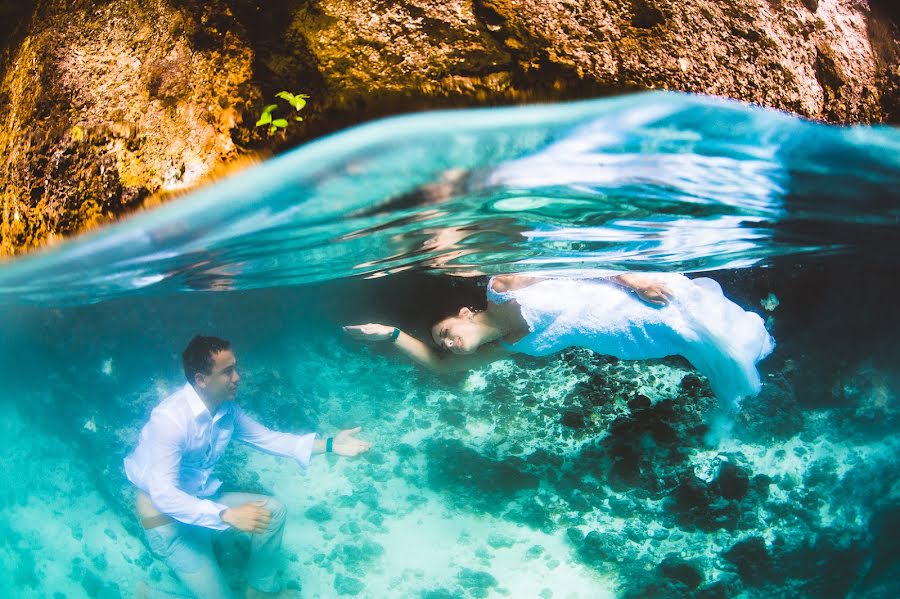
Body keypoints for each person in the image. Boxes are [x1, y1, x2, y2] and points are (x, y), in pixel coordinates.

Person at [124, 335, 371, 599]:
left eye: (235, 368)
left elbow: (269, 439)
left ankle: (259, 592)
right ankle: (149, 595)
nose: (238, 377)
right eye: (227, 372)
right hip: (168, 525)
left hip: (201, 503)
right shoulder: (170, 420)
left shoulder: (225, 410)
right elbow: (164, 495)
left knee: (274, 511)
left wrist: (331, 444)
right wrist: (225, 515)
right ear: (200, 380)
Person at [344, 272, 774, 408]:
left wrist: (630, 276)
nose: (448, 344)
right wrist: (392, 335)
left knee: (738, 343)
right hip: (642, 341)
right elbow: (441, 368)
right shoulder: (506, 347)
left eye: (444, 333)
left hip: (646, 305)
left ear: (464, 313)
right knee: (737, 357)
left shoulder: (505, 286)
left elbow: (577, 262)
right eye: (442, 343)